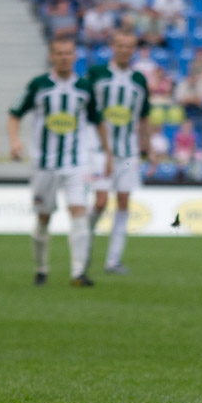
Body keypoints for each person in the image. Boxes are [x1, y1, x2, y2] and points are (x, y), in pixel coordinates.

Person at [7, 36, 111, 287]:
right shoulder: (39, 85)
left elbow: (98, 121)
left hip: (76, 163)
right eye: (59, 53)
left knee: (79, 211)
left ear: (75, 56)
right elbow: (14, 113)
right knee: (43, 218)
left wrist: (108, 153)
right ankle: (41, 268)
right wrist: (14, 140)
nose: (64, 58)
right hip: (45, 164)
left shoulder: (84, 87)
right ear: (51, 56)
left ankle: (78, 273)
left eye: (68, 53)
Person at [86, 31, 154, 276]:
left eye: (129, 46)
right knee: (101, 201)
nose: (125, 50)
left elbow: (144, 116)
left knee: (124, 202)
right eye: (120, 45)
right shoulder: (97, 73)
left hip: (128, 151)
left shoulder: (139, 79)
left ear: (134, 49)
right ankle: (84, 243)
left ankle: (113, 260)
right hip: (99, 150)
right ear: (112, 46)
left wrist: (149, 148)